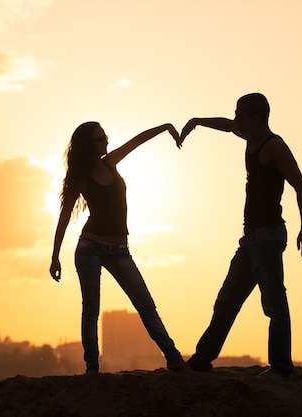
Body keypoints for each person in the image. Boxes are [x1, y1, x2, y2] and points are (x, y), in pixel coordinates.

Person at [178, 93, 302, 377]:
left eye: (241, 114)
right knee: (227, 299)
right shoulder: (250, 138)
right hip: (250, 239)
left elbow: (301, 186)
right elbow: (228, 125)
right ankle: (202, 358)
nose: (237, 119)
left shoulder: (274, 147)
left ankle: (281, 367)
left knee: (274, 302)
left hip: (268, 237)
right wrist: (197, 122)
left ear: (257, 118)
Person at [49, 121, 187, 374]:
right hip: (90, 248)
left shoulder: (110, 162)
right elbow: (65, 215)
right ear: (88, 145)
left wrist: (166, 127)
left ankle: (174, 357)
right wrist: (55, 256)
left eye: (105, 137)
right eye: (100, 139)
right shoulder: (81, 178)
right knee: (91, 310)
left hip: (120, 250)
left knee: (146, 304)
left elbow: (138, 139)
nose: (106, 142)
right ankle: (92, 369)